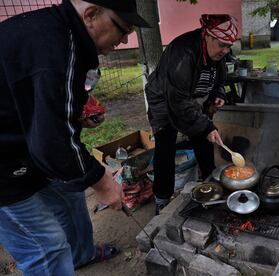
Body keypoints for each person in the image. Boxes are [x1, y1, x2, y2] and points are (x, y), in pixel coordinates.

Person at [0, 0, 149, 274]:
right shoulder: (56, 47)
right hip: (5, 163)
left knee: (71, 195)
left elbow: (38, 104)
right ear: (91, 15)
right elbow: (52, 142)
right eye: (121, 29)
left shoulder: (68, 37)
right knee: (47, 248)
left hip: (27, 143)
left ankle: (81, 255)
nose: (124, 39)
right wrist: (102, 182)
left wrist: (73, 116)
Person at [145, 14, 239, 214]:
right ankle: (162, 198)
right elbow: (178, 101)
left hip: (192, 97)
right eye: (222, 44)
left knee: (204, 141)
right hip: (164, 98)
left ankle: (210, 184)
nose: (226, 50)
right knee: (165, 145)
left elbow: (219, 78)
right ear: (207, 35)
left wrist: (217, 93)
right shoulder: (183, 52)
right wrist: (205, 126)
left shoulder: (217, 53)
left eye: (229, 46)